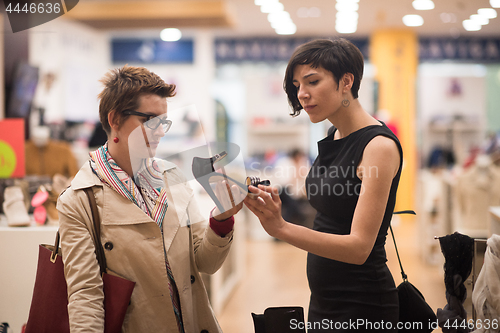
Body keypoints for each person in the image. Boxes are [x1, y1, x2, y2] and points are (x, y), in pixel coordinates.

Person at [57, 65, 243, 333]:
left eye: (164, 122)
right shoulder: (80, 199)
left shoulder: (171, 177)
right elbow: (85, 294)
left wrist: (222, 218)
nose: (160, 131)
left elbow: (205, 263)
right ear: (115, 119)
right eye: (149, 120)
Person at [244, 38, 403, 332]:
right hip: (324, 300)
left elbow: (359, 248)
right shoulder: (334, 135)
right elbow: (331, 207)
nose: (302, 94)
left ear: (346, 81)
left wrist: (282, 228)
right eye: (296, 85)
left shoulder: (377, 146)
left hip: (363, 304)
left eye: (312, 81)